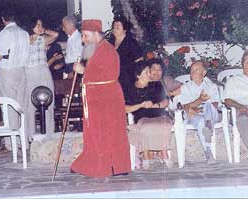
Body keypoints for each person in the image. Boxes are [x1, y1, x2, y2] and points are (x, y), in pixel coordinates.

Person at [71, 19, 131, 177]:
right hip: (97, 99)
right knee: (95, 134)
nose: (83, 40)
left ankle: (114, 167)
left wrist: (83, 70)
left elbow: (109, 74)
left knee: (107, 133)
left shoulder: (108, 50)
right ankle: (96, 164)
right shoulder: (95, 49)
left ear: (95, 34)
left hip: (107, 99)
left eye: (85, 36)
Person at [0, 9, 30, 153]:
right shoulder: (24, 33)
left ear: (3, 19)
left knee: (8, 106)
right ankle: (24, 142)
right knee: (22, 106)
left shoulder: (5, 33)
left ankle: (10, 144)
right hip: (21, 71)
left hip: (8, 72)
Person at [126, 61, 173, 169]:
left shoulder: (156, 85)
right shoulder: (130, 89)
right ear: (139, 75)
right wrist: (141, 105)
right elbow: (125, 108)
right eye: (147, 72)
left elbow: (166, 102)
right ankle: (146, 155)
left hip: (159, 114)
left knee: (165, 124)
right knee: (146, 126)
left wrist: (155, 105)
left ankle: (163, 152)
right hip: (142, 116)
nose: (150, 74)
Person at [224, 50, 248, 162]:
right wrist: (239, 106)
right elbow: (227, 100)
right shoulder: (233, 80)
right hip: (244, 108)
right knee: (242, 119)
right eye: (244, 61)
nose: (246, 64)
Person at [178, 60, 218, 164]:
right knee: (201, 121)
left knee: (208, 107)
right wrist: (200, 100)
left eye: (196, 70)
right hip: (193, 116)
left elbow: (215, 105)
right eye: (191, 70)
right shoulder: (185, 87)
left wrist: (196, 106)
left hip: (209, 113)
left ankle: (207, 125)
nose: (192, 72)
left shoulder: (211, 86)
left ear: (204, 73)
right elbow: (185, 106)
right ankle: (208, 152)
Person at [25, 18, 57, 138]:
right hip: (29, 72)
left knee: (49, 101)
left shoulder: (43, 40)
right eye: (37, 25)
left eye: (41, 25)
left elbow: (56, 35)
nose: (39, 27)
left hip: (43, 71)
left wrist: (44, 30)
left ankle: (49, 135)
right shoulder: (24, 41)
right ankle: (31, 136)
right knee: (30, 105)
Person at [108, 16, 143, 99]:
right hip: (113, 78)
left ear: (125, 29)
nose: (115, 28)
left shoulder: (131, 43)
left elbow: (140, 61)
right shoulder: (109, 42)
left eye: (118, 26)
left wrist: (138, 78)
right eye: (114, 26)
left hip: (128, 78)